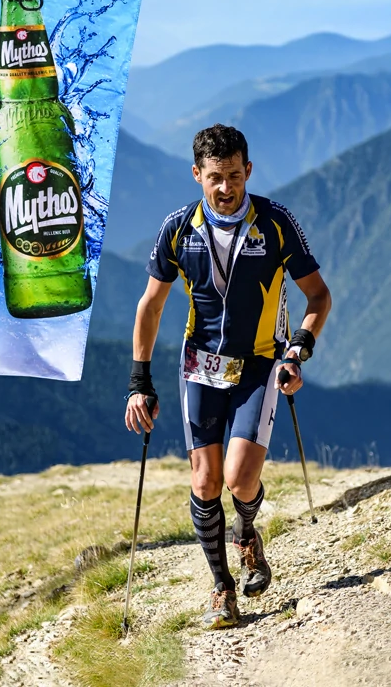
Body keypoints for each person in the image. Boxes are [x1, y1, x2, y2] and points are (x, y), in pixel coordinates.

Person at [125, 124, 331, 629]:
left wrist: (298, 350)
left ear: (249, 171)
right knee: (205, 479)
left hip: (261, 363)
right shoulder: (178, 229)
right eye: (215, 177)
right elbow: (151, 305)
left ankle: (246, 532)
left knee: (240, 480)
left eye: (234, 176)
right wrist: (139, 382)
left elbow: (318, 296)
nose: (226, 188)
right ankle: (222, 587)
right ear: (197, 175)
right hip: (200, 366)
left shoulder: (276, 223)